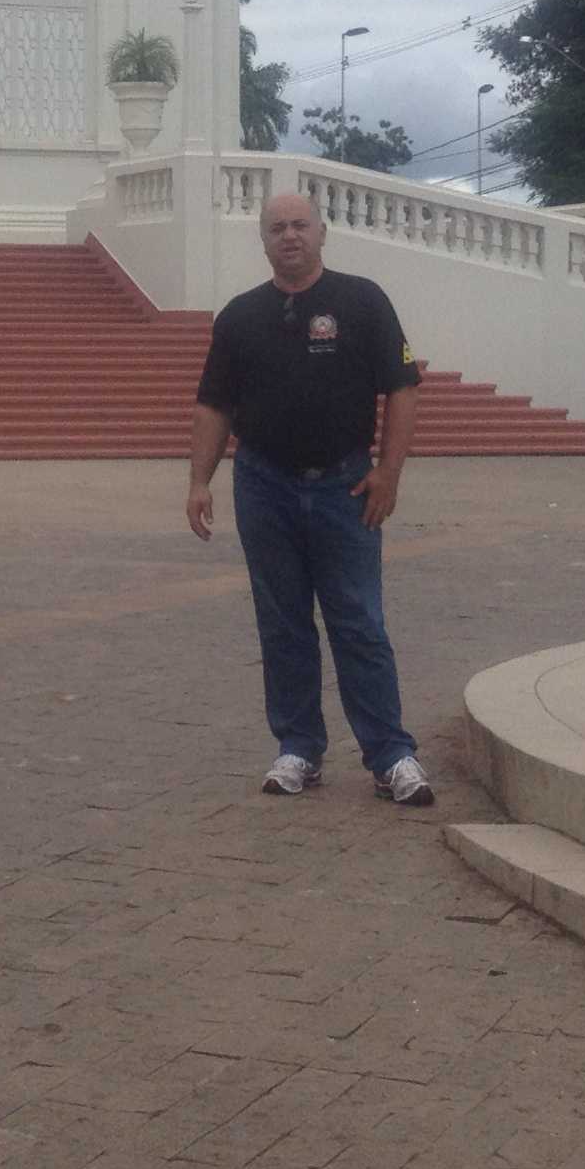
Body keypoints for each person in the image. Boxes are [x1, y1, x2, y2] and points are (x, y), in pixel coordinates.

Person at [184, 189, 433, 806]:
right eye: (277, 228)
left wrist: (389, 472)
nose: (289, 236)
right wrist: (198, 480)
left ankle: (391, 754)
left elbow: (402, 387)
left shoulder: (362, 301)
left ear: (322, 233)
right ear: (263, 241)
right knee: (283, 624)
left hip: (345, 486)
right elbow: (214, 404)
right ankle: (298, 747)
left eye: (300, 225)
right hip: (264, 485)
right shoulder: (239, 317)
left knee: (359, 621)